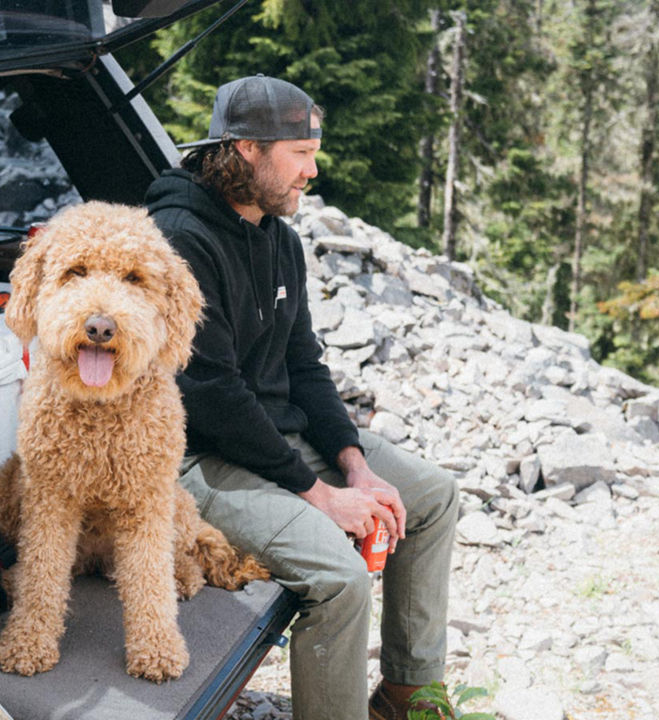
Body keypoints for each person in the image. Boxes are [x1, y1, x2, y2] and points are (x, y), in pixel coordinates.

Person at [145, 75, 459, 720]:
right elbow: (210, 393)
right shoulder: (179, 239)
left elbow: (303, 363)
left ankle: (408, 693)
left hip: (275, 439)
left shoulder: (279, 237)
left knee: (432, 496)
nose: (313, 171)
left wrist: (353, 464)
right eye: (300, 153)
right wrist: (318, 496)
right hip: (199, 456)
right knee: (338, 580)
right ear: (245, 150)